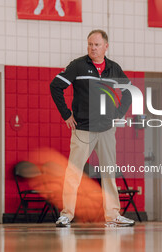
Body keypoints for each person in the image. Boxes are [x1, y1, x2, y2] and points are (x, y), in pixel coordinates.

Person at [50, 29, 135, 227]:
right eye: (90, 44)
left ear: (106, 46)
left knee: (109, 173)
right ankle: (66, 214)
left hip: (106, 130)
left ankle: (113, 214)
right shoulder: (77, 66)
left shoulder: (114, 68)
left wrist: (118, 114)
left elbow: (129, 92)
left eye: (96, 44)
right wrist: (66, 114)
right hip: (83, 129)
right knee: (73, 173)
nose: (92, 48)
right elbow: (55, 86)